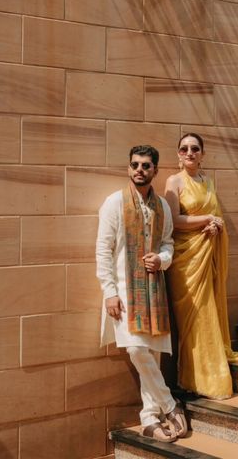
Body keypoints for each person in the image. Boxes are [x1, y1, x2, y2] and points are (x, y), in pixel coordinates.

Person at [165, 133, 238, 400]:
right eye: (184, 149)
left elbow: (214, 216)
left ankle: (207, 375)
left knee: (209, 314)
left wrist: (214, 225)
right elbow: (173, 221)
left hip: (207, 254)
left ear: (202, 154)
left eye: (195, 148)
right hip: (185, 260)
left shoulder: (208, 181)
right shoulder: (174, 182)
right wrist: (207, 219)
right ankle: (197, 378)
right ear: (178, 154)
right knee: (195, 317)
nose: (189, 153)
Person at [96, 145, 187, 442]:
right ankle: (170, 405)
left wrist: (161, 259)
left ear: (155, 171)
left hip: (153, 290)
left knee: (152, 354)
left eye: (146, 166)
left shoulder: (161, 206)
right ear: (128, 169)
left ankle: (149, 417)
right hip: (123, 292)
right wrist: (109, 292)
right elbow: (103, 250)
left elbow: (167, 243)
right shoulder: (113, 203)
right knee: (136, 349)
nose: (139, 170)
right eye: (134, 164)